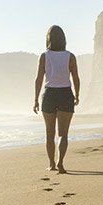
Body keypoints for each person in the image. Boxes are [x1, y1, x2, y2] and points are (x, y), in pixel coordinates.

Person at [33, 25, 80, 173]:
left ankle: (52, 164)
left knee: (49, 134)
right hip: (66, 93)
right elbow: (76, 78)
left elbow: (39, 79)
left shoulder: (44, 56)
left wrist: (35, 99)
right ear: (63, 39)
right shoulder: (70, 56)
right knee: (63, 134)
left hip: (49, 94)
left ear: (49, 39)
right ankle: (61, 163)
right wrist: (77, 95)